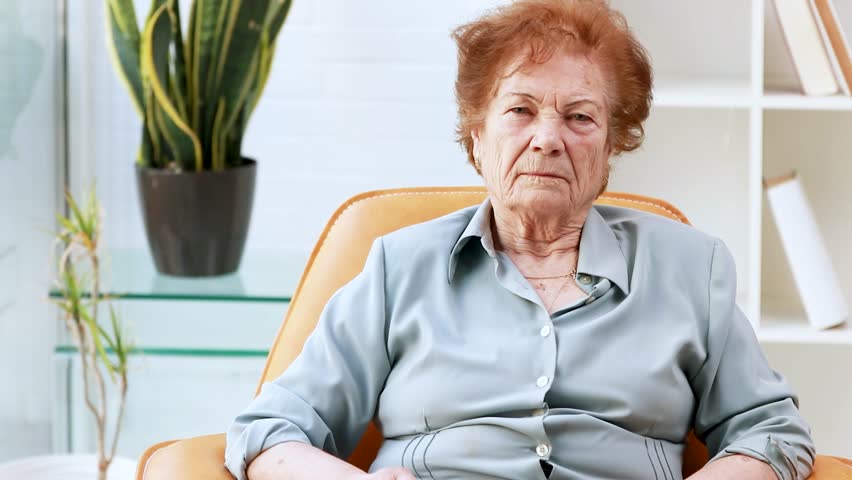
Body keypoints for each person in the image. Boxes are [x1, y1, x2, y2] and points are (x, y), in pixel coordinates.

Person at [225, 1, 815, 478]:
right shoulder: (397, 269)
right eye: (521, 110)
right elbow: (269, 430)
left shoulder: (691, 268)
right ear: (476, 137)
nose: (548, 138)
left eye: (580, 117)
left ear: (611, 150)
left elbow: (772, 431)